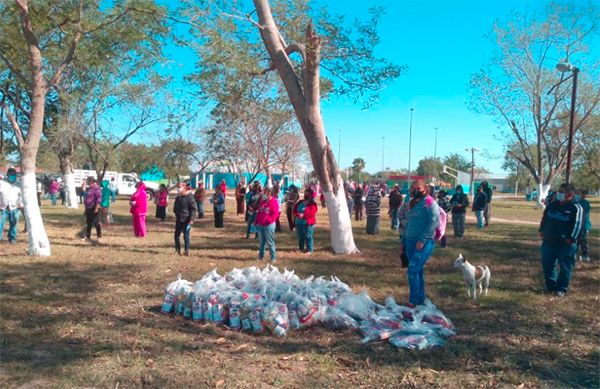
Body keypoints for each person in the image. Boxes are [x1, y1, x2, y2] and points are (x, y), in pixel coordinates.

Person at [399, 180, 440, 307]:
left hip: (424, 243)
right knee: (418, 271)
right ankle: (420, 300)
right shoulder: (410, 204)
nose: (415, 190)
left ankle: (413, 301)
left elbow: (433, 223)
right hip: (409, 241)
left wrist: (422, 240)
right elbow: (407, 223)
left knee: (412, 270)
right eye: (413, 188)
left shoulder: (430, 203)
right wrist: (403, 242)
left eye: (418, 188)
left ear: (425, 189)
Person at [539, 183, 584, 296]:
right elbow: (545, 218)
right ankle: (551, 286)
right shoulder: (552, 205)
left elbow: (578, 225)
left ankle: (561, 289)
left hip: (566, 244)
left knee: (565, 267)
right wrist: (542, 230)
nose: (558, 194)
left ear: (570, 194)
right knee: (547, 264)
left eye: (561, 192)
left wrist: (571, 239)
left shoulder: (576, 208)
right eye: (558, 191)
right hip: (549, 241)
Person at [254, 186, 280, 263]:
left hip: (269, 225)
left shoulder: (274, 201)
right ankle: (260, 257)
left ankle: (273, 258)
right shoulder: (263, 202)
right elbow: (259, 213)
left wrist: (268, 220)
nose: (263, 193)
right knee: (262, 241)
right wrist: (256, 222)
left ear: (269, 193)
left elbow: (275, 214)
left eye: (265, 191)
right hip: (261, 225)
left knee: (270, 242)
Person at [0, 168, 24, 243]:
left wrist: (21, 204)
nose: (12, 176)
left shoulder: (19, 185)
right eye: (10, 174)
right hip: (2, 207)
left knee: (13, 223)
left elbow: (22, 196)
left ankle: (12, 238)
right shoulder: (1, 183)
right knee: (0, 223)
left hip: (15, 207)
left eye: (13, 174)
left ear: (16, 175)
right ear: (7, 175)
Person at [173, 182, 197, 256]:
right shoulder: (178, 197)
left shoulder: (190, 197)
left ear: (184, 188)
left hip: (187, 220)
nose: (178, 189)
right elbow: (175, 207)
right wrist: (176, 212)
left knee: (186, 236)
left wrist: (191, 219)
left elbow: (193, 209)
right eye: (178, 187)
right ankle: (177, 250)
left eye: (180, 187)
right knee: (176, 235)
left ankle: (186, 250)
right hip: (179, 219)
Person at [293, 188, 318, 254]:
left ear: (311, 195)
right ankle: (301, 248)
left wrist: (303, 215)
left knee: (308, 236)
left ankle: (310, 250)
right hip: (298, 222)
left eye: (308, 194)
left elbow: (312, 213)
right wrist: (298, 214)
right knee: (300, 236)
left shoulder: (313, 204)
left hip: (308, 223)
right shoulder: (300, 202)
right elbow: (294, 210)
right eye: (305, 193)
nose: (306, 195)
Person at [82, 178, 102, 242]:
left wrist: (96, 208)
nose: (87, 183)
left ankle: (99, 237)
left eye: (88, 182)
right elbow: (86, 198)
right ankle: (87, 236)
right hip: (88, 208)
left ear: (92, 182)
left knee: (96, 223)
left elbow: (99, 199)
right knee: (89, 223)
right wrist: (85, 209)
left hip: (94, 208)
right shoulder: (89, 189)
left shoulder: (96, 189)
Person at [574, 189, 591, 262]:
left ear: (582, 195)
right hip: (575, 225)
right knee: (575, 241)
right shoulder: (573, 202)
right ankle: (574, 254)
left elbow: (584, 211)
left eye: (578, 193)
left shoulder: (585, 203)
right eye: (576, 193)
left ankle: (585, 255)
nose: (577, 195)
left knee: (583, 241)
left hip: (584, 226)